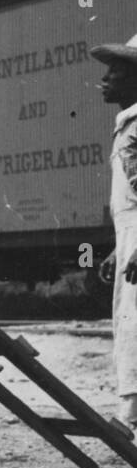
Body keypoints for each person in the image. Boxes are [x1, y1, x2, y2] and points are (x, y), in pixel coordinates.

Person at [93, 32, 137, 434]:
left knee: (135, 323)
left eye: (116, 73)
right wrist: (117, 247)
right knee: (128, 321)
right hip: (131, 238)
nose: (104, 80)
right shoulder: (128, 124)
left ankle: (130, 419)